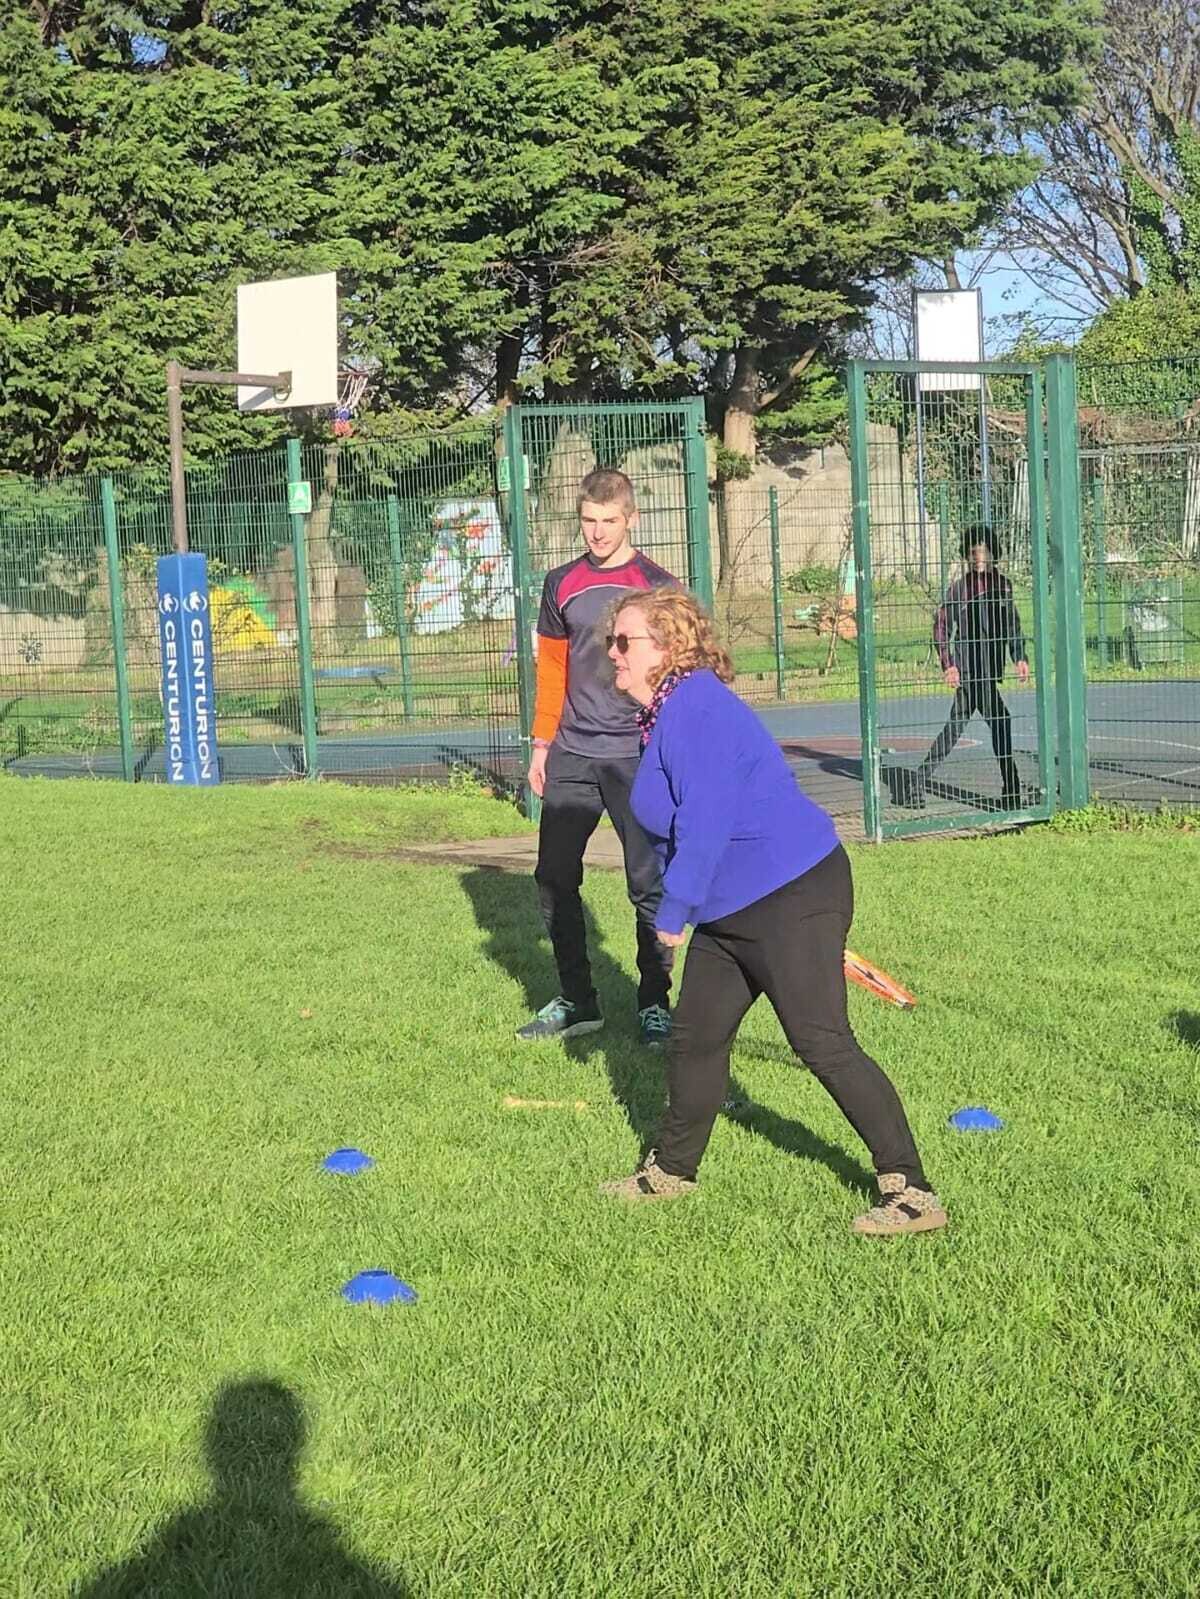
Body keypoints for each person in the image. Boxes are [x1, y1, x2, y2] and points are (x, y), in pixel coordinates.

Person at [598, 588, 947, 1236]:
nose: (612, 653)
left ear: (667, 648)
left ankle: (912, 1192)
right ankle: (670, 1172)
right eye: (610, 641)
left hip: (791, 891)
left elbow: (705, 819)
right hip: (731, 908)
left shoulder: (695, 708)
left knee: (821, 1040)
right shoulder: (666, 714)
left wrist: (674, 908)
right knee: (696, 1036)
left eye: (624, 641)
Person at [517, 467, 678, 1046]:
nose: (598, 532)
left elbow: (677, 675)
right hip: (572, 754)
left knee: (648, 885)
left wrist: (676, 753)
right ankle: (578, 1000)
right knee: (554, 878)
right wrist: (542, 744)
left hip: (637, 756)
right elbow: (552, 669)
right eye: (589, 520)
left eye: (610, 521)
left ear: (631, 518)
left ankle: (654, 1003)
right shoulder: (561, 583)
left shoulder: (657, 586)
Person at [913, 524, 1030, 808]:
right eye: (974, 552)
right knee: (999, 722)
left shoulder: (1003, 585)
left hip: (989, 671)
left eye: (984, 551)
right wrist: (949, 665)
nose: (979, 557)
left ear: (993, 554)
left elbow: (1011, 625)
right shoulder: (960, 589)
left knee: (957, 728)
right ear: (966, 555)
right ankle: (1012, 793)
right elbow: (941, 626)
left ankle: (916, 783)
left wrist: (1019, 656)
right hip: (969, 671)